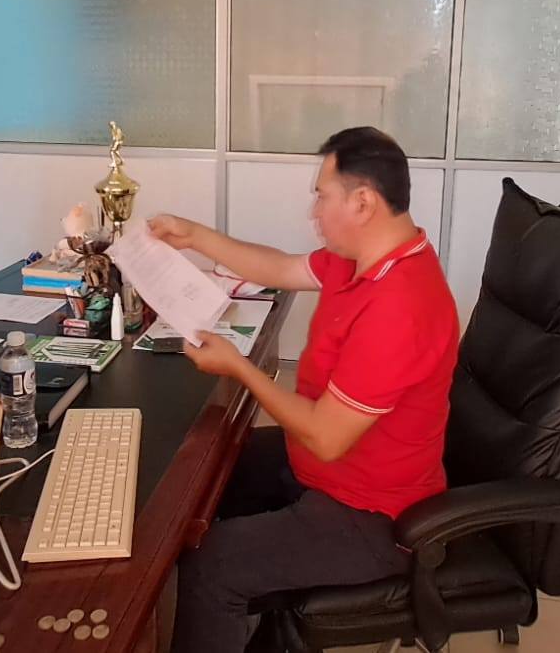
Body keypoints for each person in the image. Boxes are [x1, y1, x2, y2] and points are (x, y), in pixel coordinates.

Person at [149, 126, 459, 652]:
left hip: (372, 516)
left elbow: (325, 437)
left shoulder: (400, 306)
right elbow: (279, 267)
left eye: (321, 196)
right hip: (330, 473)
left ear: (363, 202)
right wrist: (194, 234)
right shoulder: (363, 258)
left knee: (211, 565)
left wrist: (238, 366)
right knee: (199, 469)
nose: (314, 211)